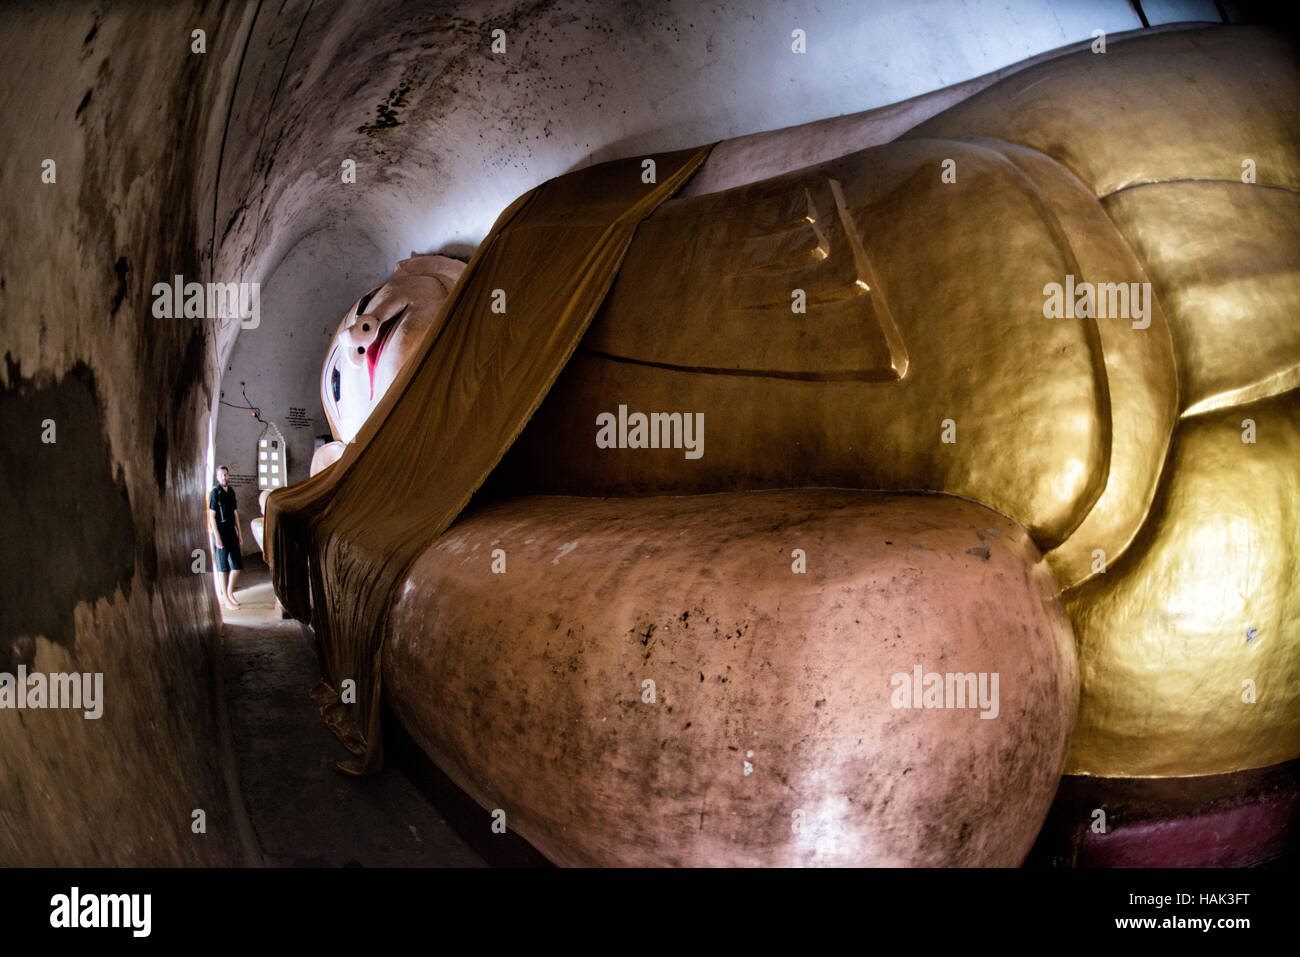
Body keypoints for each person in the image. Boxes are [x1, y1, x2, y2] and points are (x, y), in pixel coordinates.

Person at [208, 466, 243, 608]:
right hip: (221, 533)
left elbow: (235, 514)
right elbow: (212, 516)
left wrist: (239, 533)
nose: (224, 477)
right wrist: (217, 537)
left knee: (237, 566)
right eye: (221, 475)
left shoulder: (231, 492)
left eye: (226, 475)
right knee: (223, 568)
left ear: (228, 476)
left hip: (231, 532)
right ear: (217, 477)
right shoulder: (215, 493)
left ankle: (229, 593)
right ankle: (226, 600)